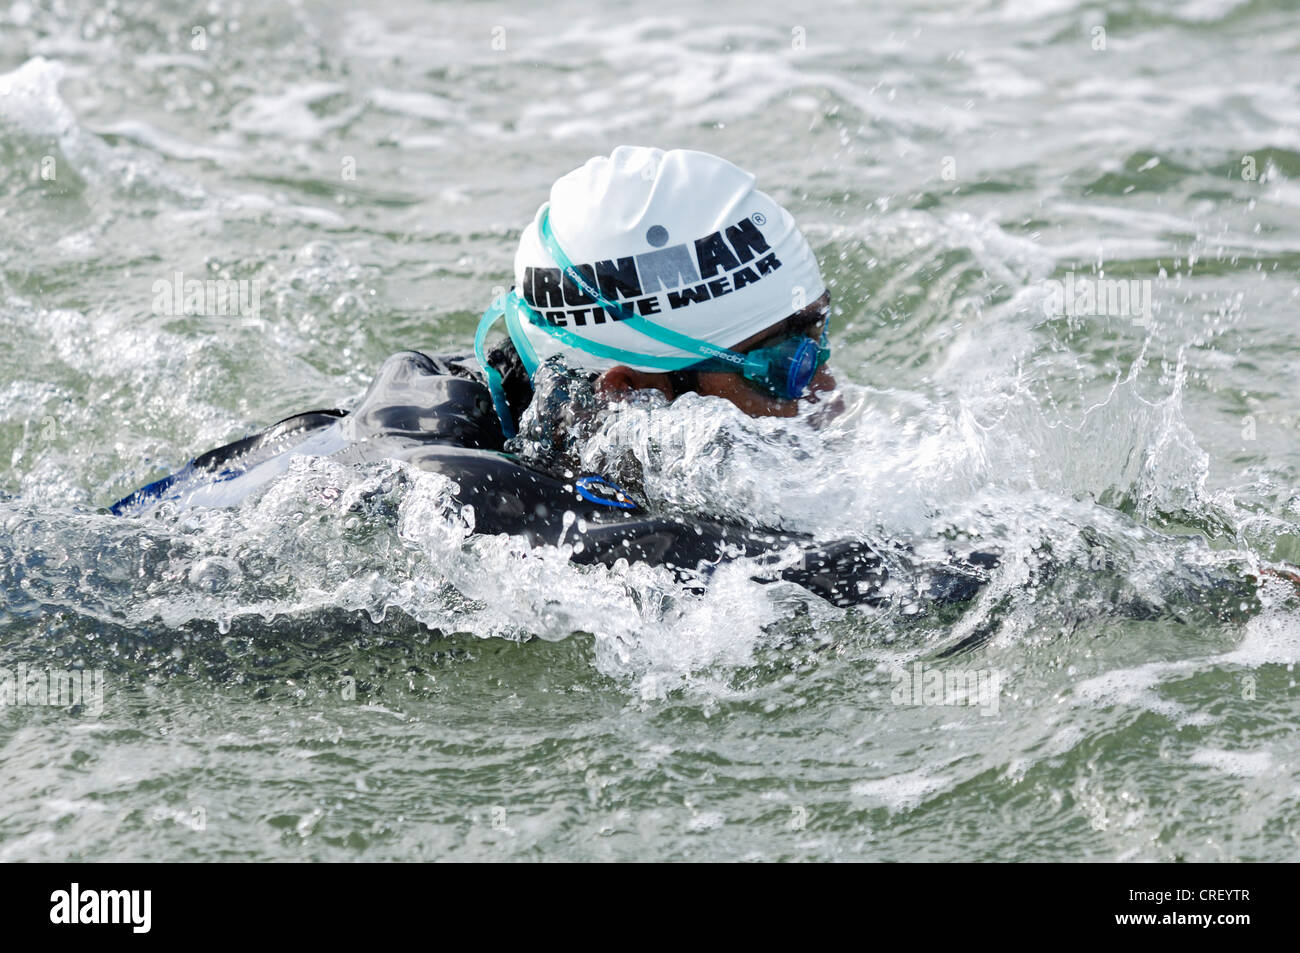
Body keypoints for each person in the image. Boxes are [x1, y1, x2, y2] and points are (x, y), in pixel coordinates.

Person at [105, 147, 1006, 608]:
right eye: (782, 360)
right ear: (629, 392)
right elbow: (723, 567)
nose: (826, 388)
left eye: (816, 339)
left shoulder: (512, 402)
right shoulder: (461, 492)